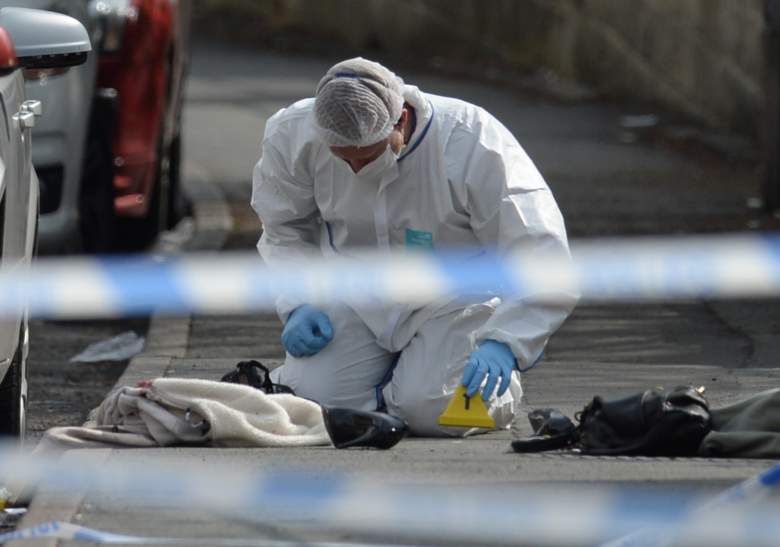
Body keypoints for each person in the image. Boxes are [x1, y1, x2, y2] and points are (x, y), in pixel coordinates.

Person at [251, 57, 577, 436]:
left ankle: (464, 384)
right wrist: (298, 302)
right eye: (344, 159)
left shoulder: (471, 139)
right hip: (356, 293)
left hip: (456, 298)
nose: (356, 169)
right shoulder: (292, 134)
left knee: (437, 412)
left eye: (368, 156)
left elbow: (540, 249)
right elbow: (283, 226)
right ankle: (396, 384)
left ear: (401, 120)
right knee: (312, 407)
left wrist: (508, 342)